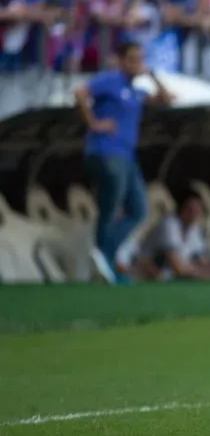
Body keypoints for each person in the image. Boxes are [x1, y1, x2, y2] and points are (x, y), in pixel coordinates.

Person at [74, 41, 173, 284]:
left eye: (139, 59)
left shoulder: (136, 90)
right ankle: (105, 258)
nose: (136, 64)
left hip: (127, 156)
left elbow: (167, 98)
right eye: (132, 59)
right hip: (106, 151)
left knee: (139, 209)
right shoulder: (110, 81)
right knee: (111, 206)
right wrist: (94, 123)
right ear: (121, 60)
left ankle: (104, 254)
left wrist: (152, 75)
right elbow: (80, 93)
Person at [135, 194, 210, 280]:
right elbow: (177, 266)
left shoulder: (194, 229)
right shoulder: (169, 224)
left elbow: (203, 261)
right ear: (182, 209)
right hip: (146, 274)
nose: (195, 213)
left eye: (198, 209)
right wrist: (200, 272)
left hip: (171, 276)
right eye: (191, 209)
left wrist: (208, 270)